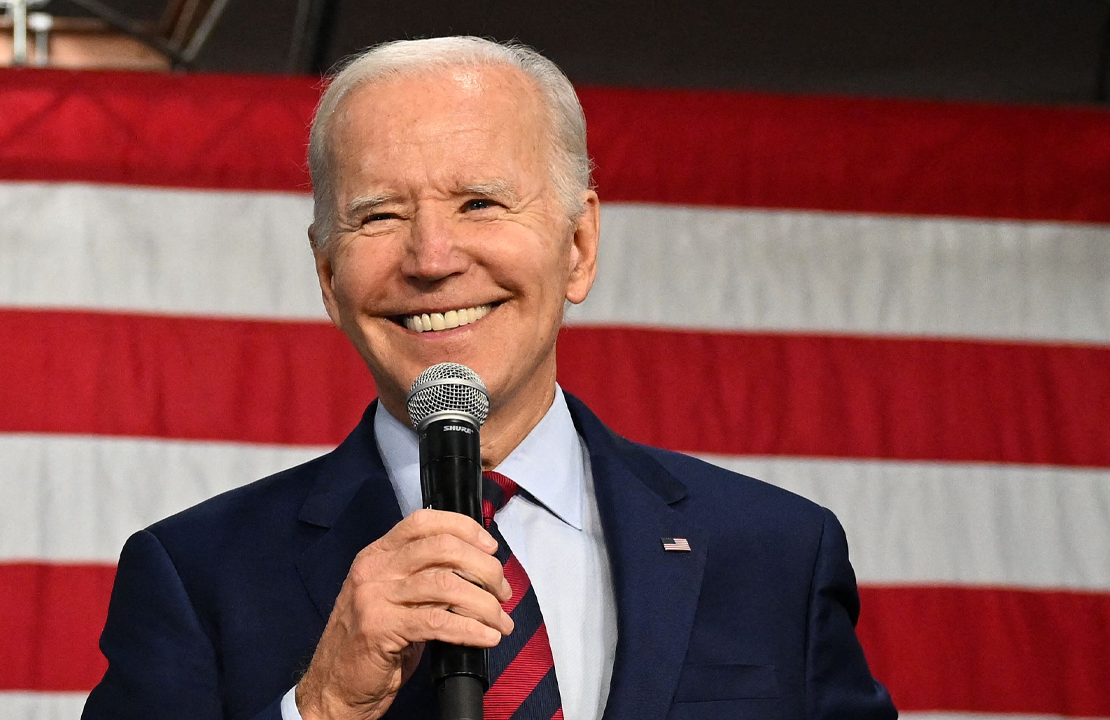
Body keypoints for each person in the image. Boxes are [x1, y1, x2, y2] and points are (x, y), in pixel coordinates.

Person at [82, 36, 897, 720]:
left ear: (578, 247)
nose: (433, 259)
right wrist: (322, 704)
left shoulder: (777, 556)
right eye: (380, 215)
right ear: (328, 276)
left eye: (479, 202)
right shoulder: (192, 575)